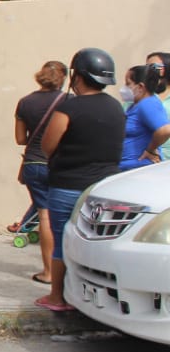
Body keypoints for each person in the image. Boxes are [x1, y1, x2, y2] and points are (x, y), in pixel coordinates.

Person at [37, 48, 126, 311]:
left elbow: (48, 146)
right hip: (104, 187)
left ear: (78, 76)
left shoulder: (69, 107)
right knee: (100, 241)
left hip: (67, 185)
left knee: (63, 240)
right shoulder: (116, 107)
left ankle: (57, 296)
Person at [11, 60, 68, 286]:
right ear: (63, 78)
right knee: (62, 216)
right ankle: (61, 269)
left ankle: (48, 271)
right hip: (59, 163)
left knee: (44, 215)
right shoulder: (68, 101)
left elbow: (20, 139)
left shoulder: (25, 102)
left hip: (34, 162)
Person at [119, 64, 170, 170]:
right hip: (128, 168)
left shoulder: (147, 104)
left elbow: (165, 130)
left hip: (138, 167)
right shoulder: (135, 105)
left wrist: (150, 149)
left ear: (140, 87)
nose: (124, 88)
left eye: (128, 84)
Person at [147, 51, 170, 159]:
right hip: (146, 157)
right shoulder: (142, 95)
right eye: (146, 67)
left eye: (153, 66)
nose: (148, 70)